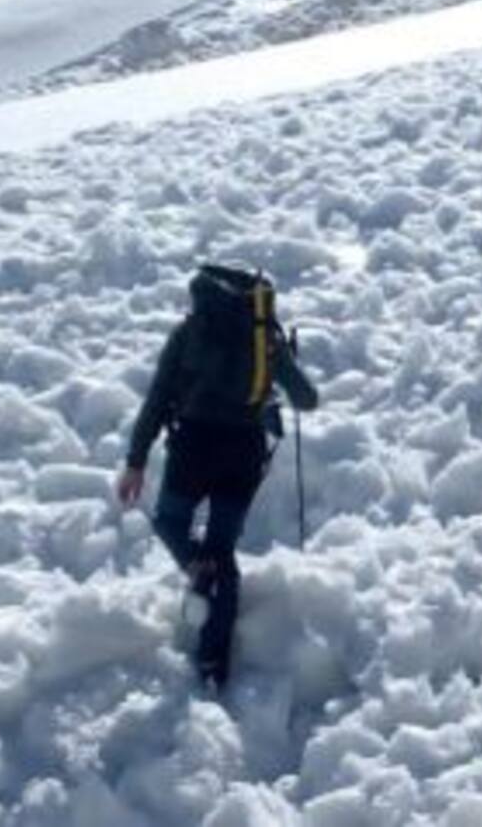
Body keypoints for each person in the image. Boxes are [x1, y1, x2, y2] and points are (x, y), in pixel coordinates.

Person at [117, 264, 318, 689]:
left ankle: (196, 567)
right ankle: (214, 665)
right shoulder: (264, 338)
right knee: (222, 550)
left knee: (171, 521)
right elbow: (307, 399)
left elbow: (157, 399)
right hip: (243, 453)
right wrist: (284, 361)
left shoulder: (189, 332)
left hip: (192, 449)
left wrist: (136, 460)